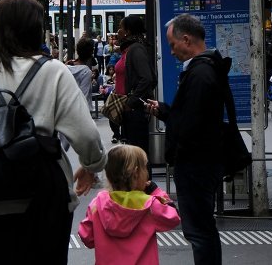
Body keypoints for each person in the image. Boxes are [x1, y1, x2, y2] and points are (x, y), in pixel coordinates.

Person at [0, 0, 107, 264]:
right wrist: (92, 165)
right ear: (37, 30)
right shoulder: (55, 72)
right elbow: (86, 135)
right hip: (47, 197)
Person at [145, 13, 226, 264]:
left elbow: (192, 123)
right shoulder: (208, 68)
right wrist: (166, 112)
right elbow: (191, 116)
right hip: (202, 161)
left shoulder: (200, 74)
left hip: (196, 164)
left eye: (173, 44)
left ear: (187, 40)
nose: (171, 52)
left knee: (199, 231)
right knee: (202, 229)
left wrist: (177, 150)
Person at [78, 144, 180, 264]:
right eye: (145, 168)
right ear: (136, 173)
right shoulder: (149, 205)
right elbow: (174, 217)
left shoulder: (97, 204)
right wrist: (155, 191)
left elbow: (87, 238)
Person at [115, 15, 156, 156]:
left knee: (138, 153)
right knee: (133, 152)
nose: (118, 31)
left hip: (135, 112)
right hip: (130, 111)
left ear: (128, 31)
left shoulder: (136, 49)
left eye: (120, 27)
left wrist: (131, 102)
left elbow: (148, 78)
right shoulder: (129, 49)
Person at [66, 37, 96, 108]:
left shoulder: (67, 65)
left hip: (68, 106)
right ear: (91, 53)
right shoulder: (86, 71)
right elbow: (84, 95)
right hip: (81, 109)